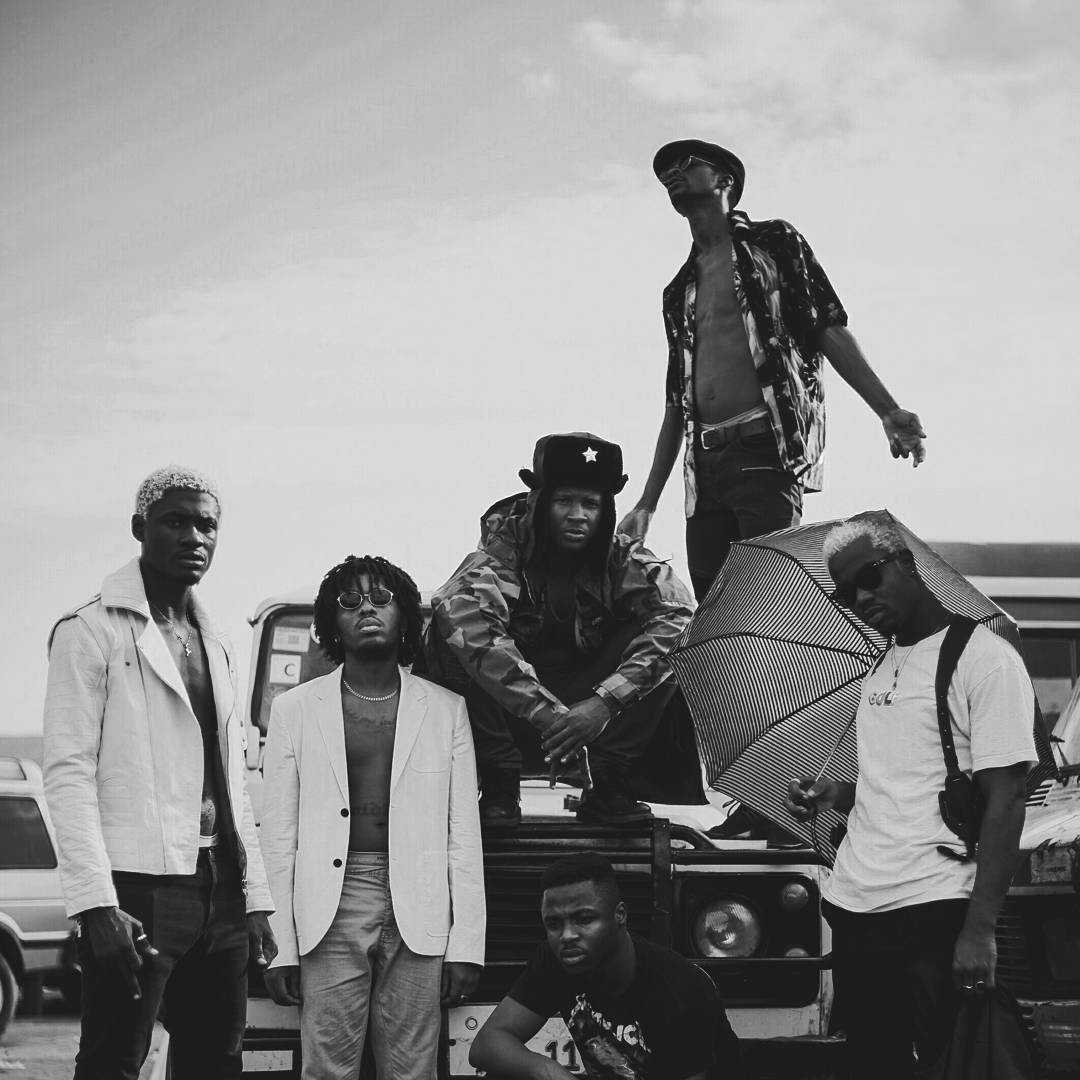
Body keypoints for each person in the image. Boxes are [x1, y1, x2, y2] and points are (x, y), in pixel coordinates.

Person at [42, 466, 276, 1080]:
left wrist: (255, 898)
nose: (195, 537)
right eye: (176, 522)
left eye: (207, 525)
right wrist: (96, 905)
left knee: (216, 1063)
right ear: (139, 528)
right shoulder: (89, 630)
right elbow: (67, 774)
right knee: (113, 1061)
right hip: (137, 888)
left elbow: (232, 782)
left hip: (221, 887)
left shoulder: (218, 642)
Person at [619, 139, 927, 601]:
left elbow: (826, 326)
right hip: (703, 471)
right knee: (715, 609)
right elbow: (675, 403)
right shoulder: (677, 290)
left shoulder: (774, 243)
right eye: (664, 173)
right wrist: (647, 502)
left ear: (725, 180)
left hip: (764, 449)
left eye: (685, 164)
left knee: (768, 601)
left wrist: (887, 410)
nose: (672, 174)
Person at [784, 518, 1037, 1078]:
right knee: (872, 1064)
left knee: (952, 1063)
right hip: (856, 905)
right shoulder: (879, 667)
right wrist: (836, 793)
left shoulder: (983, 659)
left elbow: (1007, 797)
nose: (860, 599)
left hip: (933, 904)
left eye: (869, 578)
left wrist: (980, 929)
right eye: (844, 593)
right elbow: (902, 782)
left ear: (907, 563)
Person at [260, 554, 485, 1080]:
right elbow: (278, 837)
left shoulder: (446, 709)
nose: (367, 608)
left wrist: (467, 943)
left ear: (403, 613)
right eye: (350, 600)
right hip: (329, 904)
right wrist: (279, 947)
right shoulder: (294, 709)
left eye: (382, 598)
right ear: (331, 621)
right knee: (327, 1069)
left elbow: (462, 834)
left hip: (421, 902)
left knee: (412, 1070)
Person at [429, 432, 698, 827]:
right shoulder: (499, 555)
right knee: (450, 634)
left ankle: (608, 784)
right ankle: (499, 785)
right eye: (564, 501)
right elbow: (469, 622)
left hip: (593, 718)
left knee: (672, 640)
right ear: (540, 502)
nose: (578, 515)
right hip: (514, 720)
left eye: (590, 504)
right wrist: (549, 714)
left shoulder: (621, 556)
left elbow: (680, 617)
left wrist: (604, 705)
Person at [469, 853, 738, 1079]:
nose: (567, 935)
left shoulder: (680, 989)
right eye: (553, 924)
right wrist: (548, 1071)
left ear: (619, 915)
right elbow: (486, 1043)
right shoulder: (557, 959)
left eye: (584, 919)